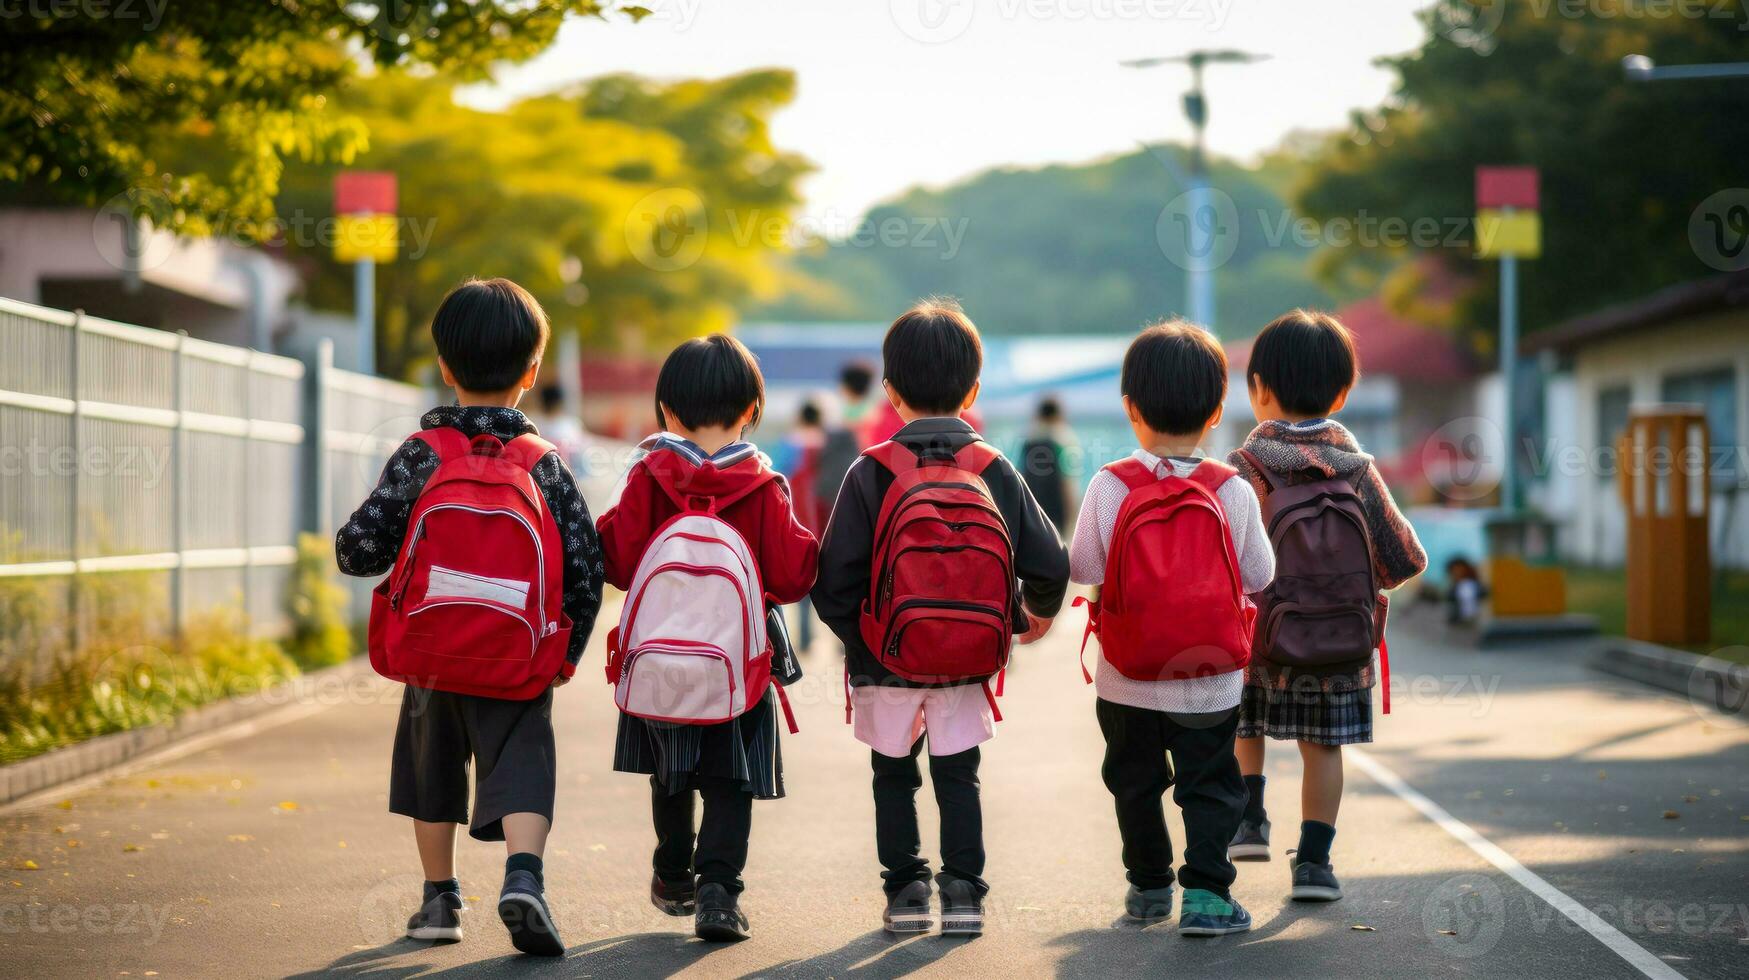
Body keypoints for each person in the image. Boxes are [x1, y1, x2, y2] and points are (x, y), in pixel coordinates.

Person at [335, 277, 605, 956]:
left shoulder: (422, 456)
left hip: (429, 652)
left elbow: (357, 549)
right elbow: (584, 564)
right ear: (532, 373)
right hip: (517, 656)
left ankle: (439, 901)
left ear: (444, 368)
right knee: (523, 761)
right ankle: (524, 877)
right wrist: (564, 654)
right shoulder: (543, 465)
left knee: (431, 772)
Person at [812, 298, 1070, 936]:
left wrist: (870, 640)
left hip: (885, 659)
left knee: (892, 774)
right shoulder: (993, 469)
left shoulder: (870, 472)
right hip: (967, 658)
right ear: (974, 388)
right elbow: (1051, 564)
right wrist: (1021, 622)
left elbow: (832, 582)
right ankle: (963, 893)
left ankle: (905, 893)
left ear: (891, 393)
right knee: (960, 774)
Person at [596, 334, 819, 943]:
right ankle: (719, 891)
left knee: (670, 771)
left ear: (666, 410)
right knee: (731, 778)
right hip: (740, 664)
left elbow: (615, 559)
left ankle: (672, 870)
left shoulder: (648, 475)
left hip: (660, 661)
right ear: (752, 409)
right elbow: (796, 573)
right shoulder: (763, 484)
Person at [1068, 320, 1272, 937]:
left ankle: (1149, 887)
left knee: (1134, 782)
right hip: (1210, 680)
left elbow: (1083, 567)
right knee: (1211, 787)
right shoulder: (1231, 489)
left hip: (1125, 677)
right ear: (1215, 411)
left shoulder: (1109, 484)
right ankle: (1208, 897)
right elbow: (1261, 573)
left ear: (1129, 408)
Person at [1226, 309, 1427, 903]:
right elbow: (1406, 557)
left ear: (1258, 388)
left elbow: (1227, 559)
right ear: (1343, 391)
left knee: (1245, 722)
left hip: (1261, 640)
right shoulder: (1359, 471)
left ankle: (1250, 820)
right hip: (1338, 645)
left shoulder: (1243, 469)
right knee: (1324, 751)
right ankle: (1314, 864)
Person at [775, 400, 829, 652]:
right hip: (828, 521)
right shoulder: (829, 443)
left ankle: (805, 639)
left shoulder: (790, 444)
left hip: (798, 522)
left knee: (803, 585)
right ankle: (841, 644)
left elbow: (776, 476)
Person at [1020, 396, 1080, 533]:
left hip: (1033, 512)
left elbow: (1020, 477)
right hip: (1056, 510)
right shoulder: (1062, 441)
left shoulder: (1028, 442)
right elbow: (1067, 481)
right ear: (1058, 416)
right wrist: (1072, 515)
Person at [529, 384, 589, 474]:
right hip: (568, 473)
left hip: (540, 474)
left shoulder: (532, 423)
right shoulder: (570, 425)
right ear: (560, 403)